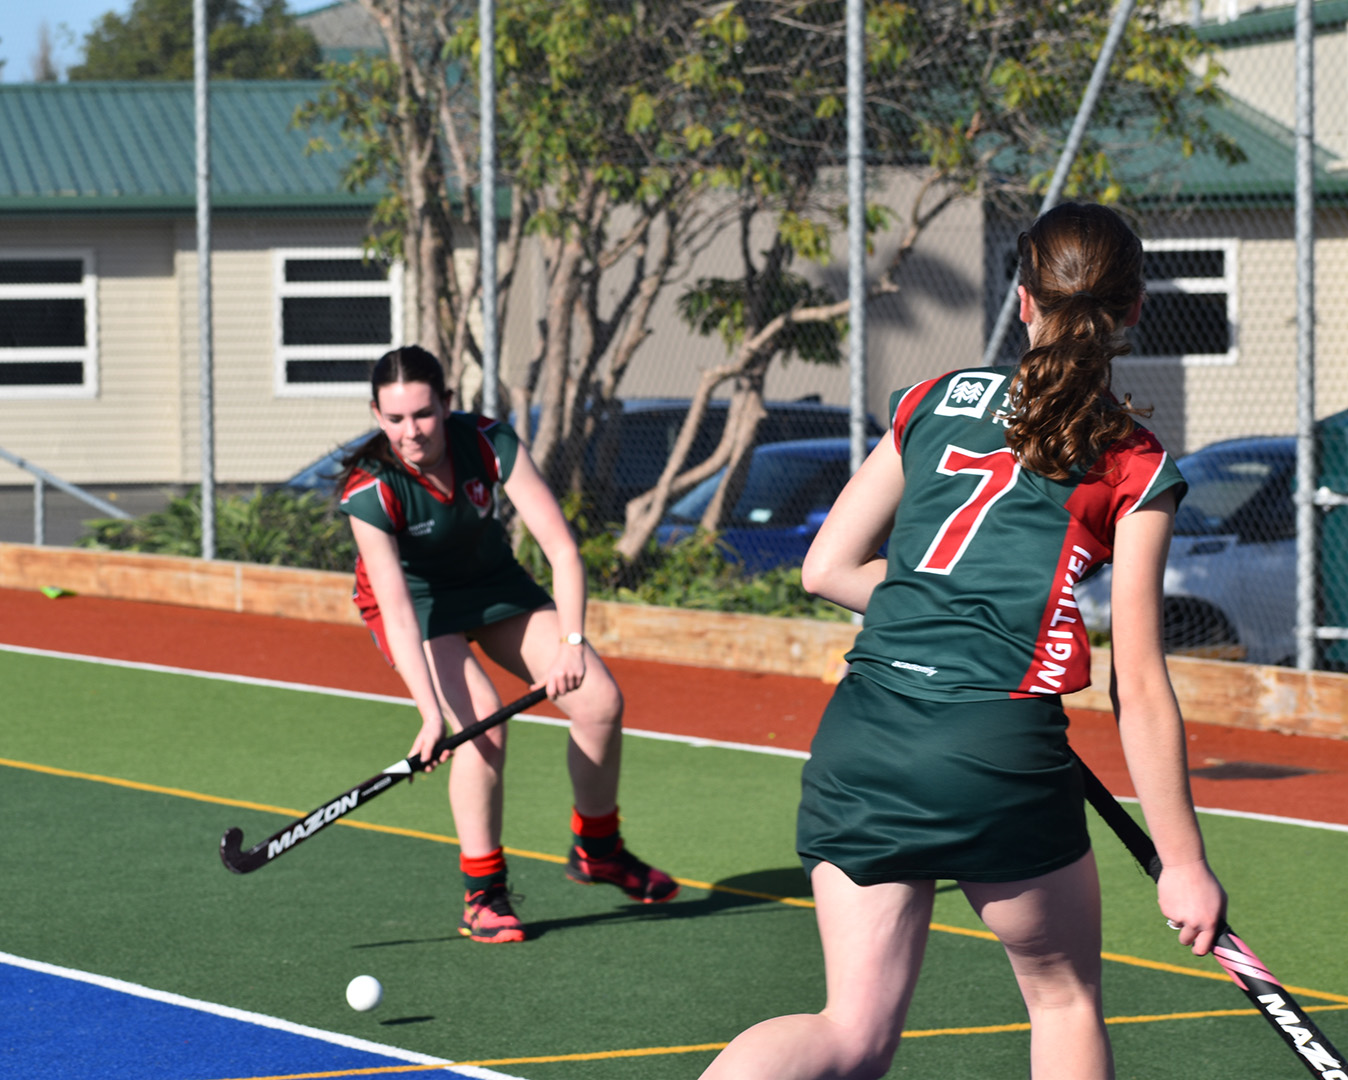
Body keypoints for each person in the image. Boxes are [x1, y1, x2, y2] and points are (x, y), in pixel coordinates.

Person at [698, 203, 1227, 1080]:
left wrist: (933, 608)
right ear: (1133, 312)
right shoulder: (1133, 460)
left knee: (850, 1033)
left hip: (866, 736)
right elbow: (1136, 682)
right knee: (1063, 1003)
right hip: (997, 751)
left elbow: (827, 568)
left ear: (1023, 301)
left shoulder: (936, 399)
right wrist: (1183, 864)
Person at [336, 345, 678, 944]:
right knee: (481, 729)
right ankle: (483, 894)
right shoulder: (371, 490)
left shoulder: (489, 442)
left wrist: (572, 643)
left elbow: (563, 550)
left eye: (422, 414)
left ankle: (598, 849)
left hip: (491, 585)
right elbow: (394, 608)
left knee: (599, 702)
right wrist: (428, 714)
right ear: (376, 415)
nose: (410, 432)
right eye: (394, 420)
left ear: (446, 404)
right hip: (419, 607)